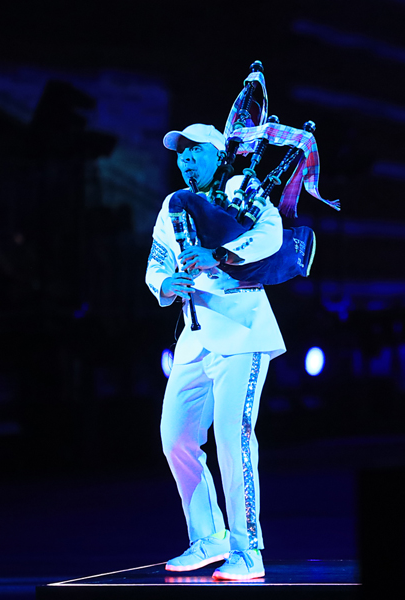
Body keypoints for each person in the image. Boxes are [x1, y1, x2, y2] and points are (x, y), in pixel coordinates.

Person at [145, 123, 285, 580]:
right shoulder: (173, 205)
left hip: (241, 331)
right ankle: (209, 538)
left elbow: (270, 235)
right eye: (180, 154)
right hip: (194, 335)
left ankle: (249, 552)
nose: (185, 160)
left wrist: (220, 254)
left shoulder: (241, 187)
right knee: (176, 437)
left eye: (194, 152)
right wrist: (165, 283)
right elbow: (157, 260)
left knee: (232, 437)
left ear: (215, 153)